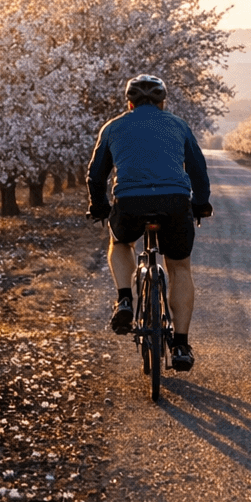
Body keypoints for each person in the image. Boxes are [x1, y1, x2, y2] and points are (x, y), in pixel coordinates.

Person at [85, 74, 212, 371]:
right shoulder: (178, 125)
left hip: (130, 202)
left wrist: (99, 206)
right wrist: (200, 204)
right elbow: (198, 170)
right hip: (174, 203)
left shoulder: (113, 127)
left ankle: (125, 299)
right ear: (162, 102)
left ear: (129, 103)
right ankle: (180, 344)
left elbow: (96, 174)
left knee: (120, 242)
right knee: (179, 267)